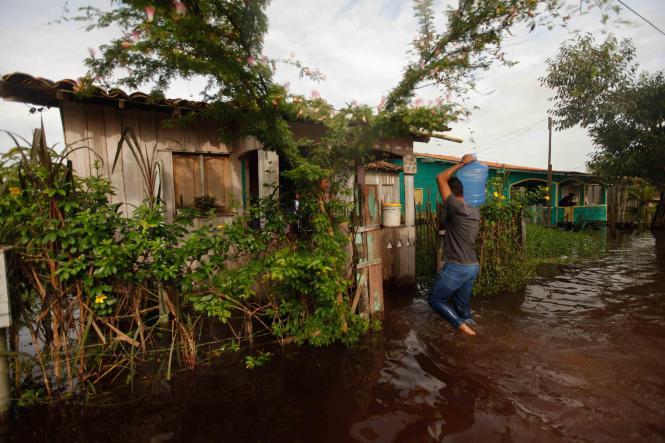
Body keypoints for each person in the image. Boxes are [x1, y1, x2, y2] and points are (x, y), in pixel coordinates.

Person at [429, 154, 480, 336]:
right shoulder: (474, 211)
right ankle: (471, 328)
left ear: (450, 192)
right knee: (462, 307)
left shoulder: (454, 206)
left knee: (435, 300)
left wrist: (462, 163)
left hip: (457, 265)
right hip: (472, 266)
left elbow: (440, 178)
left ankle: (462, 327)